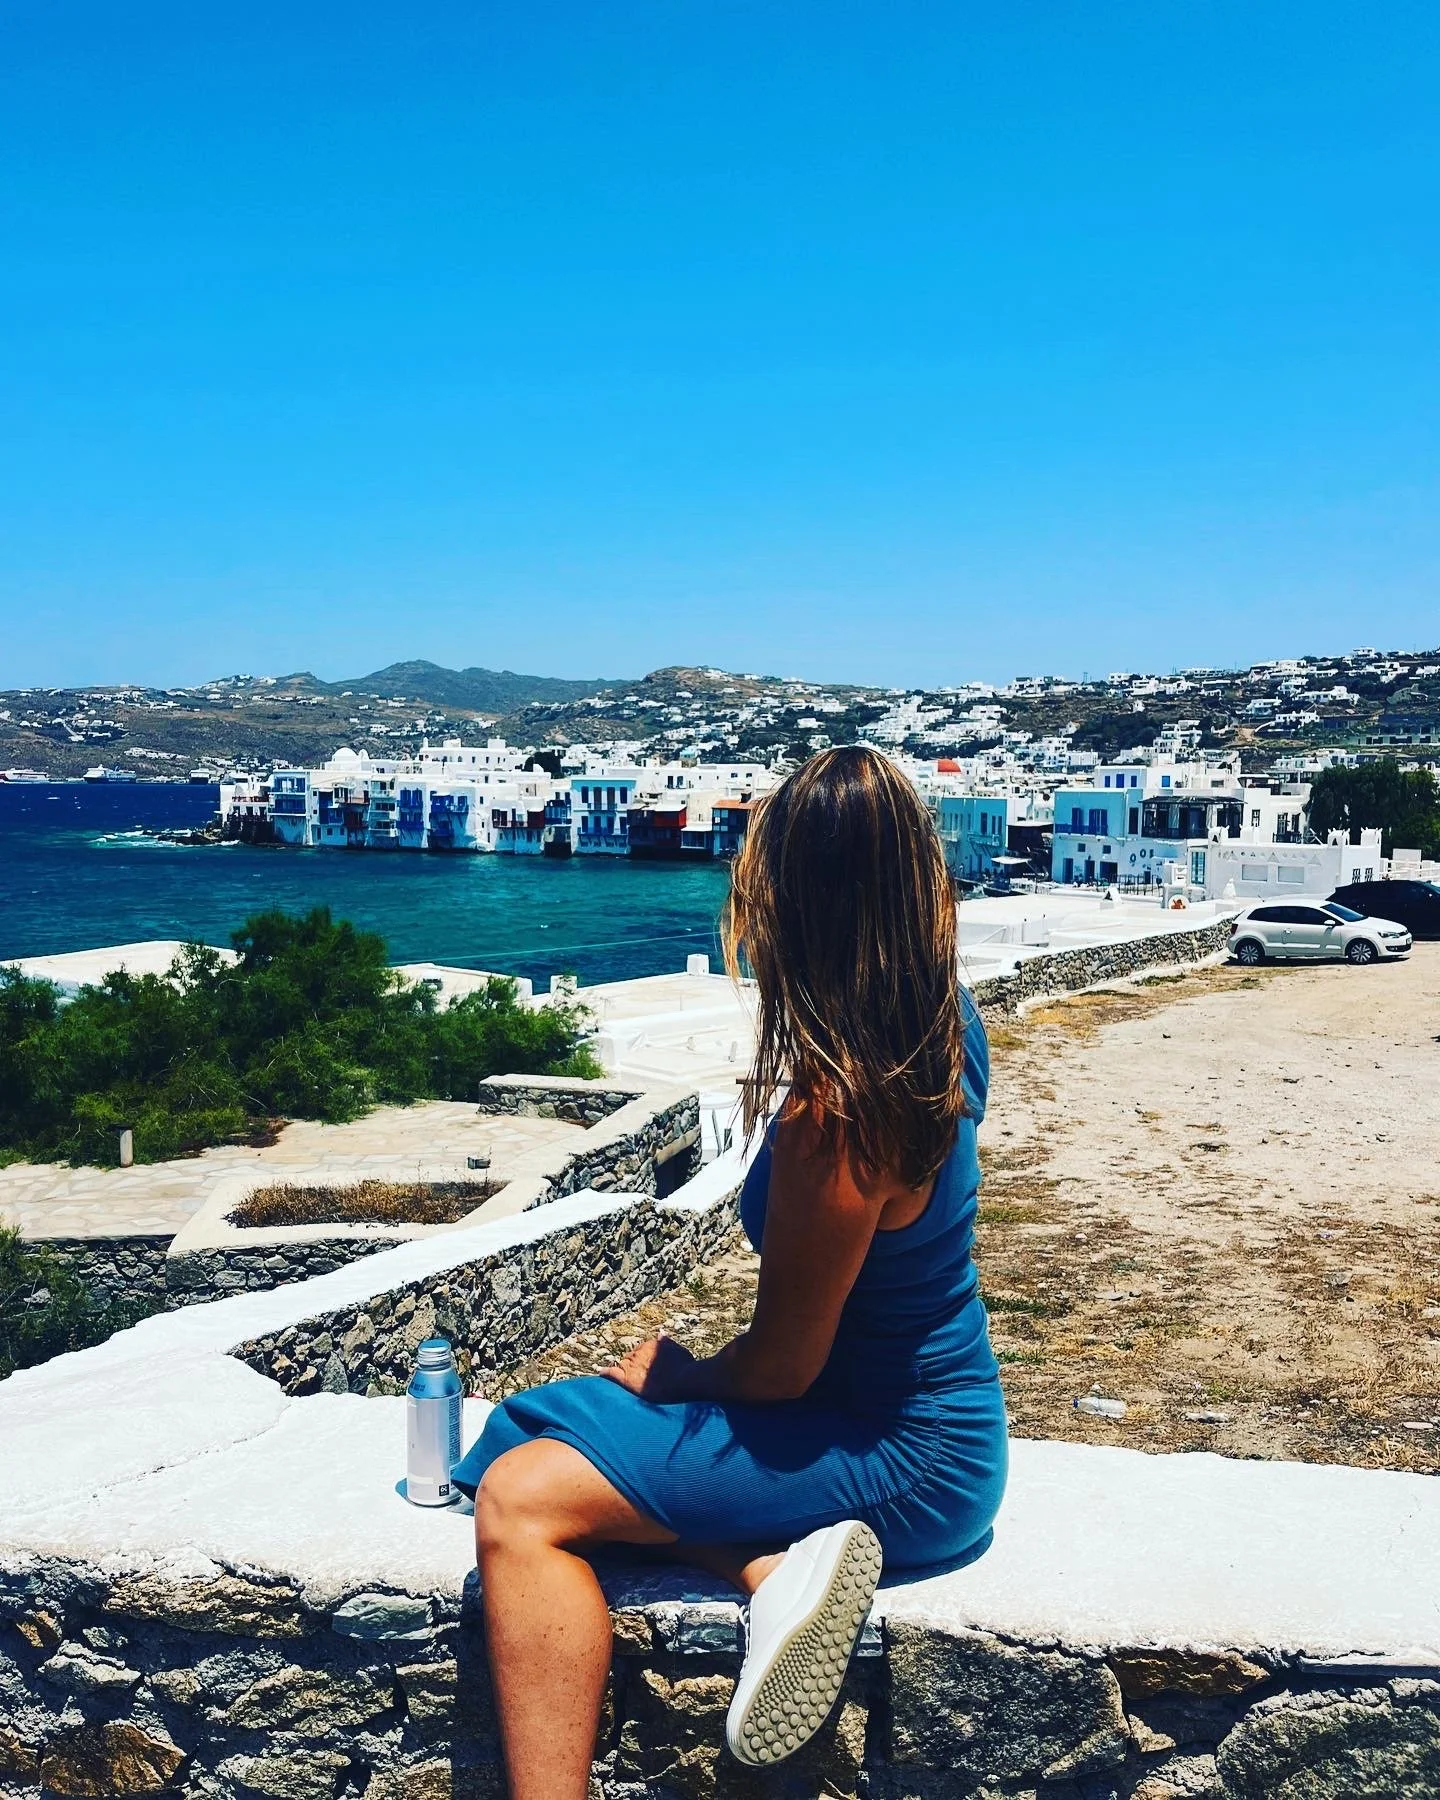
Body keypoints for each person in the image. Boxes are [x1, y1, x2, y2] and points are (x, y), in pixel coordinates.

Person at [452, 745, 1009, 1800]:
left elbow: (781, 1371)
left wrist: (675, 1373)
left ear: (794, 903)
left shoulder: (834, 1117)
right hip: (931, 1428)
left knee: (521, 1497)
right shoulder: (942, 1027)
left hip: (895, 1456)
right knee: (532, 1419)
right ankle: (769, 1568)